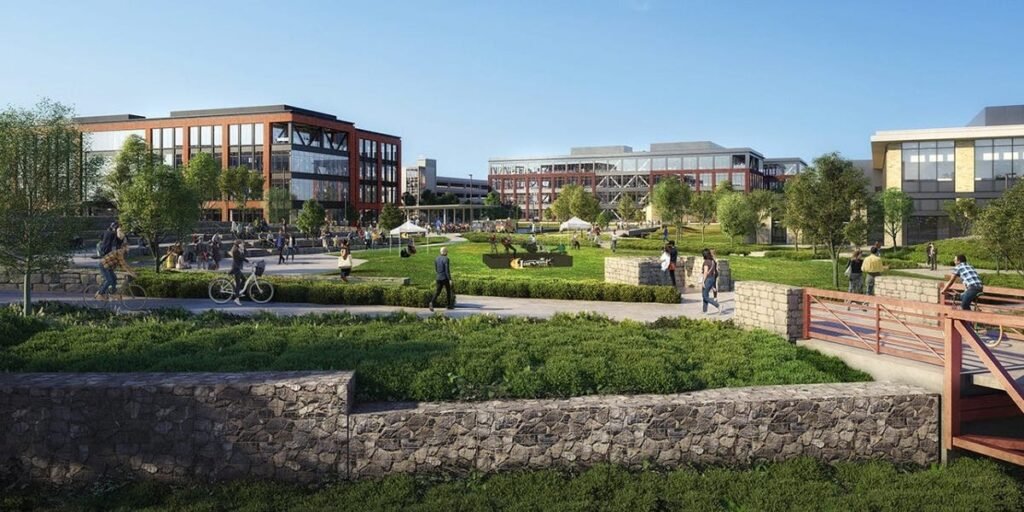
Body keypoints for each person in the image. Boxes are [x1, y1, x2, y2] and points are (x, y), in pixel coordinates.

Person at [428, 247, 454, 311]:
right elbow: (447, 270)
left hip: (438, 277)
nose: (447, 253)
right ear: (445, 252)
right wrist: (450, 279)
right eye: (447, 251)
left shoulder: (436, 258)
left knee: (437, 291)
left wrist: (439, 274)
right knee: (448, 291)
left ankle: (431, 302)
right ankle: (449, 305)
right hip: (445, 278)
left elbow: (436, 269)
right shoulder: (446, 259)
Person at [228, 240, 249, 306]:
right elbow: (241, 258)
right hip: (235, 268)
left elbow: (246, 253)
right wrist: (249, 262)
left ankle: (239, 292)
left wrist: (243, 249)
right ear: (238, 244)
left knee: (244, 279)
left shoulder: (239, 250)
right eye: (242, 244)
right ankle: (237, 299)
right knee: (238, 284)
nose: (243, 244)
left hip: (238, 268)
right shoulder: (235, 251)